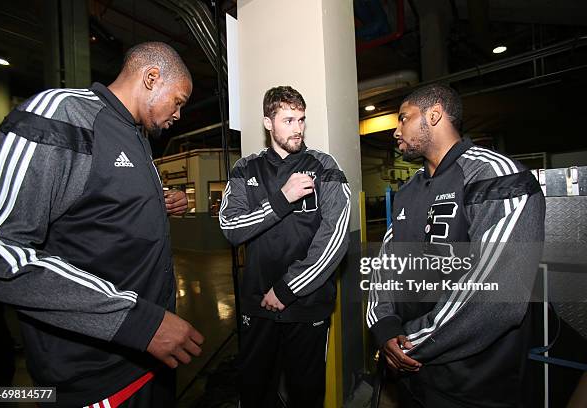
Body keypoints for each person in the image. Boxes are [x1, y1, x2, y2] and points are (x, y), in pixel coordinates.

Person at [0, 42, 204, 407]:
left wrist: (158, 204)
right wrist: (138, 321)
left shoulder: (139, 139)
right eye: (178, 101)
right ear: (152, 78)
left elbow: (97, 213)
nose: (179, 114)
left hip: (149, 356)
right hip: (94, 373)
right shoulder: (63, 114)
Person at [366, 84, 545, 407]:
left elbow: (496, 293)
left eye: (403, 118)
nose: (396, 131)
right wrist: (384, 326)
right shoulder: (408, 190)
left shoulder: (495, 177)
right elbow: (385, 265)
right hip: (412, 375)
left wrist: (411, 343)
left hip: (474, 384)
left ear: (434, 115)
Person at [219, 86, 351, 407]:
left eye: (302, 119)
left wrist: (288, 288)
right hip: (257, 306)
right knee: (255, 392)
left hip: (306, 305)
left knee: (306, 394)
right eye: (288, 120)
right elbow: (230, 227)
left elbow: (336, 237)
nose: (298, 128)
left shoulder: (324, 166)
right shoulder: (245, 168)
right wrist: (281, 201)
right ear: (268, 123)